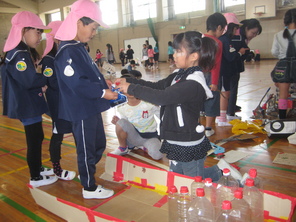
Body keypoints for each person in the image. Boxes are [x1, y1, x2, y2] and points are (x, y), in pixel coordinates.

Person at [115, 31, 242, 181]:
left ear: (194, 56)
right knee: (179, 178)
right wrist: (129, 81)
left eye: (179, 51)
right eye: (175, 51)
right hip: (173, 139)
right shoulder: (178, 76)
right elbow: (156, 86)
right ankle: (219, 170)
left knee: (194, 179)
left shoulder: (193, 84)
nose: (174, 55)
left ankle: (221, 170)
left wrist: (131, 88)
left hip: (188, 142)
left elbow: (162, 97)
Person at [54, 0, 118, 199]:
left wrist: (103, 83)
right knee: (87, 148)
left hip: (90, 107)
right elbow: (77, 82)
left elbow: (89, 74)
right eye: (93, 28)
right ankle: (89, 187)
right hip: (81, 109)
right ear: (79, 23)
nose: (94, 33)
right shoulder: (68, 51)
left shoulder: (79, 47)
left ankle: (88, 171)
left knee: (98, 144)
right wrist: (101, 93)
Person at [1, 11, 58, 187]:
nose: (40, 37)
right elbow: (29, 80)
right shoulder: (19, 53)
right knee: (34, 139)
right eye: (37, 32)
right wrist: (47, 79)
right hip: (26, 103)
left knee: (38, 136)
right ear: (24, 30)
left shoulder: (20, 51)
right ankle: (35, 177)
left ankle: (38, 167)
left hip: (27, 100)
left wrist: (38, 83)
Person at [40, 21, 76, 181]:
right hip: (58, 105)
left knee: (77, 132)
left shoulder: (64, 54)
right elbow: (52, 82)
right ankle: (56, 167)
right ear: (54, 38)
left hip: (70, 102)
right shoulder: (48, 60)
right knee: (58, 135)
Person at [111, 74, 163, 160]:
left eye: (131, 87)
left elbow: (162, 117)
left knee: (158, 155)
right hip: (133, 136)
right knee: (121, 122)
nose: (130, 91)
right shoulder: (121, 106)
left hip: (149, 136)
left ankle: (141, 146)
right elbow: (125, 124)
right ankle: (123, 148)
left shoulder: (149, 102)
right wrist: (117, 122)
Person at [228, 18, 262, 118]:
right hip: (232, 67)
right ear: (246, 28)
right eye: (253, 32)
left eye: (256, 34)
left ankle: (230, 107)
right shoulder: (237, 37)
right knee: (232, 89)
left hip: (234, 66)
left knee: (230, 89)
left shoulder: (241, 37)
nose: (254, 35)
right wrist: (242, 53)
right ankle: (230, 112)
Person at [217, 23, 249, 126]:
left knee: (226, 92)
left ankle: (223, 117)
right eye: (236, 30)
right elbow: (230, 57)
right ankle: (221, 118)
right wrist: (239, 53)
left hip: (227, 70)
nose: (237, 33)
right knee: (224, 93)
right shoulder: (224, 40)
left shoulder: (227, 39)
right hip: (223, 70)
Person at [203, 12, 227, 137]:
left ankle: (196, 127)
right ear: (218, 27)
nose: (223, 32)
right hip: (210, 76)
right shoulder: (217, 42)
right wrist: (215, 82)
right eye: (223, 29)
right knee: (211, 101)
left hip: (197, 75)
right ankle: (207, 129)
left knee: (196, 100)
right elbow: (216, 64)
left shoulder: (199, 40)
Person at [271, 8, 296, 119]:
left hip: (283, 66)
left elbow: (273, 52)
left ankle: (282, 117)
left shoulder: (278, 35)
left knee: (283, 94)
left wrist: (282, 57)